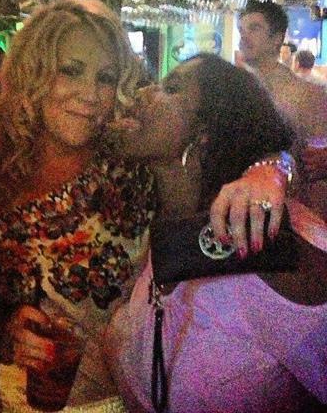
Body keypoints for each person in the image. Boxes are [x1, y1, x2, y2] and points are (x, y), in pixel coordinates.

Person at [0, 0, 295, 409]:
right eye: (70, 71)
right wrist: (6, 329)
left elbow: (242, 139)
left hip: (123, 397)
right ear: (32, 71)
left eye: (105, 78)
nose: (90, 94)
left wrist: (271, 168)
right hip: (10, 394)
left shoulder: (128, 166)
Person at [105, 54, 327, 412]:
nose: (145, 92)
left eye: (171, 88)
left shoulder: (258, 239)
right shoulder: (169, 229)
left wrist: (277, 168)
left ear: (204, 132)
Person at [238, 0, 327, 220]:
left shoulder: (307, 94)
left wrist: (313, 229)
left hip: (288, 218)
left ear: (277, 38)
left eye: (254, 28)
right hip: (240, 212)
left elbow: (316, 170)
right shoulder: (234, 92)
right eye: (241, 30)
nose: (243, 37)